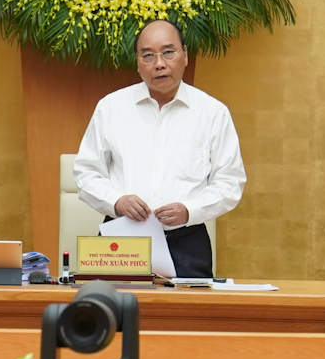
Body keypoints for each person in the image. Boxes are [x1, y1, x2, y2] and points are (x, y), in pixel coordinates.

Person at [71, 19, 244, 278]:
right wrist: (116, 202)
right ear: (138, 62)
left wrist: (190, 210)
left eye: (168, 52)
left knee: (188, 305)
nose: (159, 64)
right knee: (107, 304)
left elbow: (230, 182)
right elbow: (86, 173)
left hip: (187, 242)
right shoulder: (111, 108)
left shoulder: (212, 113)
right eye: (148, 56)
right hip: (121, 239)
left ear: (185, 55)